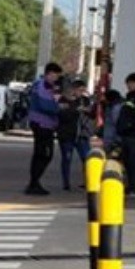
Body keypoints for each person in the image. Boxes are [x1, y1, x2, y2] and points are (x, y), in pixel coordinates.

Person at [25, 62, 63, 196]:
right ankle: (34, 183)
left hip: (43, 123)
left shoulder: (45, 86)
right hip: (42, 123)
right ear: (49, 73)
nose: (56, 78)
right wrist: (59, 108)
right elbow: (45, 105)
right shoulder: (42, 86)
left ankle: (34, 182)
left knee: (41, 154)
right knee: (44, 154)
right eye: (55, 75)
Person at [56, 79, 93, 190]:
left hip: (81, 134)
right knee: (67, 159)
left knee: (87, 158)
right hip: (66, 134)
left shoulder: (85, 100)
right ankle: (66, 183)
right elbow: (62, 114)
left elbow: (91, 112)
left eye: (83, 90)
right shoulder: (64, 100)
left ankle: (88, 182)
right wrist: (76, 110)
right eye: (80, 90)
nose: (82, 93)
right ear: (74, 89)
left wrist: (85, 110)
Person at [101, 89, 123, 154]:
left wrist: (117, 141)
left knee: (114, 160)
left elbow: (116, 123)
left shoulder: (116, 108)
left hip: (113, 140)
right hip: (110, 139)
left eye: (105, 97)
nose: (103, 98)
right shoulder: (110, 106)